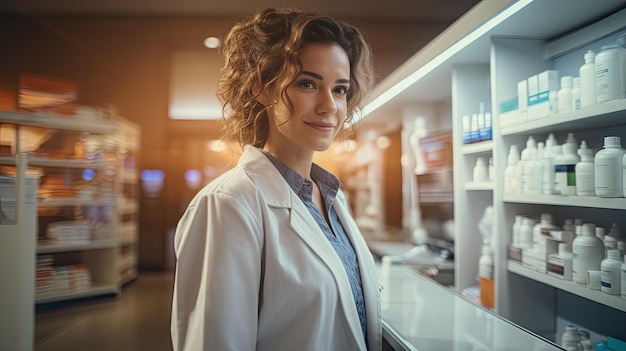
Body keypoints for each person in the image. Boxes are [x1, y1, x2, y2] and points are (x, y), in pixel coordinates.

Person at [171, 7, 381, 351]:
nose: (330, 106)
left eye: (340, 89)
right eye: (308, 83)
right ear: (262, 89)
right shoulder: (228, 205)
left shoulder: (329, 197)